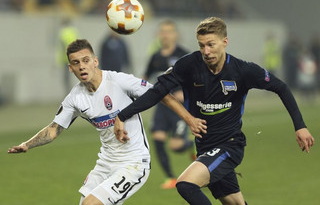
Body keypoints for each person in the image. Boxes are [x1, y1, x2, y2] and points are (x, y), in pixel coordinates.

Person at [113, 17, 315, 205]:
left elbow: (282, 87)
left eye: (211, 44)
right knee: (234, 202)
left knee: (185, 185)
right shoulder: (188, 65)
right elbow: (157, 92)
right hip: (204, 147)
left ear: (225, 41)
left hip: (229, 146)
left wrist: (300, 126)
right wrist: (123, 115)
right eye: (201, 46)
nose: (206, 51)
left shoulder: (242, 70)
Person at [8, 39, 186, 205]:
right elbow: (54, 130)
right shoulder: (75, 99)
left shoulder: (119, 81)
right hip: (105, 164)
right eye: (76, 63)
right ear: (70, 68)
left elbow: (159, 93)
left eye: (85, 60)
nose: (82, 66)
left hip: (134, 163)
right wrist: (27, 144)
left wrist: (190, 119)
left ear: (95, 61)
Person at [144, 20, 194, 189]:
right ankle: (171, 178)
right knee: (157, 138)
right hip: (162, 106)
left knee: (175, 146)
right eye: (162, 31)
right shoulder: (155, 57)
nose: (165, 35)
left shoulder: (185, 55)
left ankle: (192, 144)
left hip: (179, 108)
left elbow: (197, 79)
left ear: (176, 34)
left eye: (168, 31)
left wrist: (185, 93)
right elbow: (145, 78)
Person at [56, 18, 79, 95]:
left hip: (66, 59)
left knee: (66, 79)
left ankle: (69, 94)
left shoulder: (63, 32)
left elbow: (63, 46)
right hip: (75, 58)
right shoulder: (74, 31)